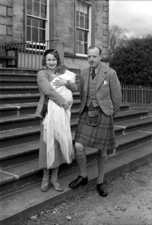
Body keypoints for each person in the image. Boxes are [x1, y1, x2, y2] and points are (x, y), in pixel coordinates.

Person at [69, 46, 122, 197]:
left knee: (103, 150)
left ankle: (100, 181)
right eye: (89, 56)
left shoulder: (110, 73)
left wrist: (112, 112)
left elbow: (117, 96)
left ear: (100, 57)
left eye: (94, 56)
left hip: (104, 113)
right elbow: (82, 93)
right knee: (78, 145)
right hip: (87, 113)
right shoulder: (84, 73)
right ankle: (83, 175)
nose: (91, 59)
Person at [35, 49, 78, 192]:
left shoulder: (62, 74)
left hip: (62, 114)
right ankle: (45, 178)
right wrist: (63, 102)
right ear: (44, 61)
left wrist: (66, 82)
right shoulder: (42, 74)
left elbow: (75, 87)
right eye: (48, 60)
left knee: (59, 143)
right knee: (47, 143)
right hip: (48, 112)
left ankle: (54, 178)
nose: (51, 62)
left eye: (53, 59)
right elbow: (48, 90)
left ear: (57, 61)